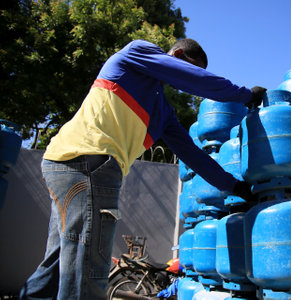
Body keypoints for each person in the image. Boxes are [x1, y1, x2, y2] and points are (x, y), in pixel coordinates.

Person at [19, 38, 266, 300]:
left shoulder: (162, 112)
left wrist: (235, 187)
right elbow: (194, 80)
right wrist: (245, 96)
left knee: (59, 264)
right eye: (194, 67)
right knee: (88, 267)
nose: (190, 79)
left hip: (66, 164)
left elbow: (194, 156)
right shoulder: (137, 53)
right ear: (177, 54)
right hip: (89, 164)